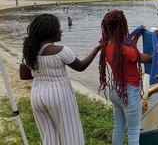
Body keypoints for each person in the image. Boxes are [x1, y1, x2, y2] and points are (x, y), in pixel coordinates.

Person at [20, 14, 102, 145]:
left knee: (49, 138)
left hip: (37, 95)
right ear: (50, 31)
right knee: (71, 135)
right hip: (59, 95)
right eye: (58, 28)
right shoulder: (61, 51)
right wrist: (96, 49)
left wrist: (42, 72)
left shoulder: (28, 51)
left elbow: (24, 75)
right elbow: (81, 67)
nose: (61, 31)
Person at [99, 10, 158, 145]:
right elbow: (150, 58)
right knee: (133, 132)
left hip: (115, 89)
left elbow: (129, 51)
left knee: (118, 128)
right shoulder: (127, 52)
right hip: (128, 93)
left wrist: (137, 36)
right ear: (123, 28)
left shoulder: (107, 47)